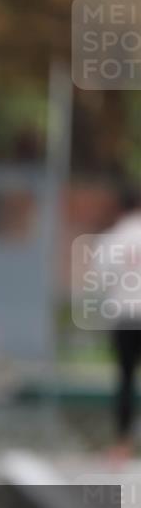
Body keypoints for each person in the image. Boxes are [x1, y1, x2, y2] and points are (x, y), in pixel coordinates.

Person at [103, 183, 141, 462]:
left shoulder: (112, 238)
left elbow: (101, 279)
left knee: (126, 381)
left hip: (124, 317)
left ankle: (122, 446)